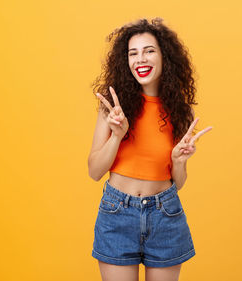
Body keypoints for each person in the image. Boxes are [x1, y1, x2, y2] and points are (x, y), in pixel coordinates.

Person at [87, 18, 212, 281]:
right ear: (126, 62)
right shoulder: (113, 107)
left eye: (149, 51)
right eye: (133, 53)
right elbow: (95, 171)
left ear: (165, 56)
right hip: (117, 213)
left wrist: (179, 161)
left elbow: (177, 183)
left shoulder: (181, 110)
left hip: (165, 214)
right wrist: (117, 136)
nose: (140, 59)